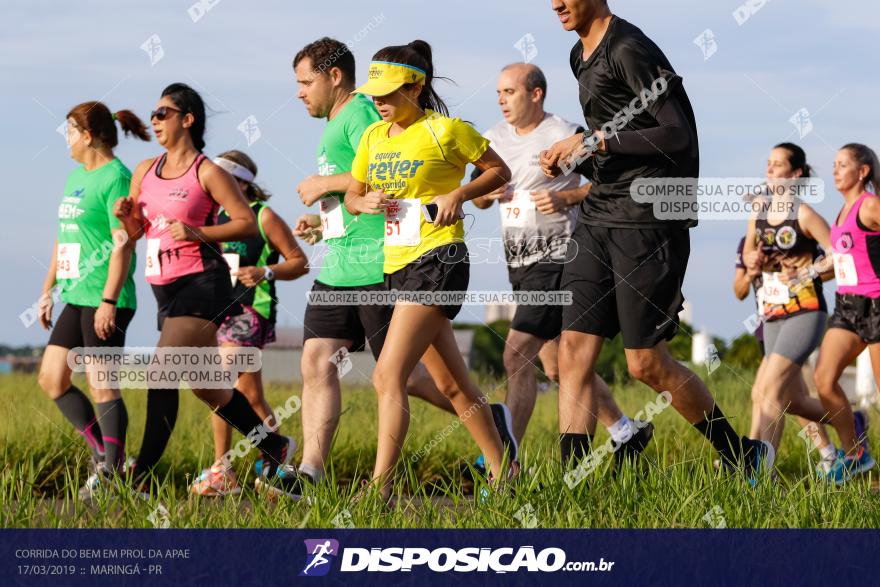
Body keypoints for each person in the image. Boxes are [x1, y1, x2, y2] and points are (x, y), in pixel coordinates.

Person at [275, 38, 511, 502]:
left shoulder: (447, 131)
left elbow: (498, 172)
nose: (378, 102)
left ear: (416, 88)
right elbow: (354, 194)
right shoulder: (372, 138)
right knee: (450, 382)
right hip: (394, 263)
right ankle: (505, 470)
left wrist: (458, 195)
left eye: (387, 94)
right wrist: (363, 202)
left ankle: (378, 489)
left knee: (388, 375)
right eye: (375, 94)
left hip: (439, 258)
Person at [542, 0, 771, 478]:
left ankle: (742, 456)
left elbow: (676, 134)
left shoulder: (629, 47)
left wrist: (592, 140)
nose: (556, 3)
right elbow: (617, 139)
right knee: (571, 350)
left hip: (647, 219)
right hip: (598, 212)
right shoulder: (577, 55)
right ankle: (573, 485)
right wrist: (577, 155)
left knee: (645, 363)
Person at [114, 83, 296, 493]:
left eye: (163, 112)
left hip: (204, 281)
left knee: (161, 373)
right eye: (154, 113)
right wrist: (127, 219)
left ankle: (141, 477)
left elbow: (246, 222)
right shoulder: (145, 170)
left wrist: (197, 230)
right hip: (164, 288)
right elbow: (139, 231)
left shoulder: (207, 171)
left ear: (187, 119)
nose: (155, 119)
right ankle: (274, 444)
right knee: (205, 383)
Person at [471, 62, 652, 464]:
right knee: (557, 366)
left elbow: (605, 185)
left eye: (510, 92)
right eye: (498, 93)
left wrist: (564, 198)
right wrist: (489, 194)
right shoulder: (493, 139)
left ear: (536, 94)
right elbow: (477, 196)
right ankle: (626, 432)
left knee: (516, 353)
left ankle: (502, 459)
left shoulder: (563, 132)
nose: (501, 100)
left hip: (560, 258)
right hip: (518, 262)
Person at [36, 101, 148, 498]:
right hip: (75, 295)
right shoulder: (74, 178)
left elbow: (125, 244)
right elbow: (62, 237)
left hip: (105, 296)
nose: (66, 140)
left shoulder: (116, 177)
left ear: (87, 136)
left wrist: (108, 300)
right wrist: (48, 289)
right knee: (52, 378)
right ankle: (108, 460)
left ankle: (112, 477)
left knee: (103, 385)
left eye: (69, 132)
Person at [190, 150, 309, 496]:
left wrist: (264, 272)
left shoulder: (262, 216)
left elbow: (299, 262)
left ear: (241, 182)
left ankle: (221, 469)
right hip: (217, 313)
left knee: (218, 380)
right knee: (251, 397)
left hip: (251, 311)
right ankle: (278, 460)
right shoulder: (212, 217)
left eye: (222, 177)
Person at [740, 143, 838, 470]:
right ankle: (851, 421)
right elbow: (749, 256)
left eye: (777, 164)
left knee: (768, 389)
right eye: (768, 163)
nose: (769, 169)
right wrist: (753, 262)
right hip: (772, 312)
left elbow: (840, 259)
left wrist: (808, 271)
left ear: (795, 174)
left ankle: (758, 469)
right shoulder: (758, 213)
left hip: (806, 311)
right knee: (776, 396)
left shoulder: (806, 215)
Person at [815, 143, 880, 483]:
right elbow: (844, 261)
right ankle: (855, 453)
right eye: (834, 164)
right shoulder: (841, 214)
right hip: (847, 307)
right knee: (824, 380)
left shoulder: (869, 207)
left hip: (877, 305)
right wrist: (810, 273)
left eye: (842, 164)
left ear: (863, 171)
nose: (835, 170)